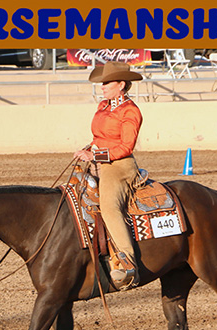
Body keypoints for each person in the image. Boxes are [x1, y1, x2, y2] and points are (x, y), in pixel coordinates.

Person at [74, 61, 143, 290]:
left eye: (107, 82)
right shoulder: (103, 105)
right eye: (102, 83)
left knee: (110, 205)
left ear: (121, 85)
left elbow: (126, 147)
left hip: (119, 166)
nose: (102, 86)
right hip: (97, 159)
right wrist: (87, 150)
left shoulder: (130, 111)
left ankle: (127, 262)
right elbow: (98, 136)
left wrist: (96, 156)